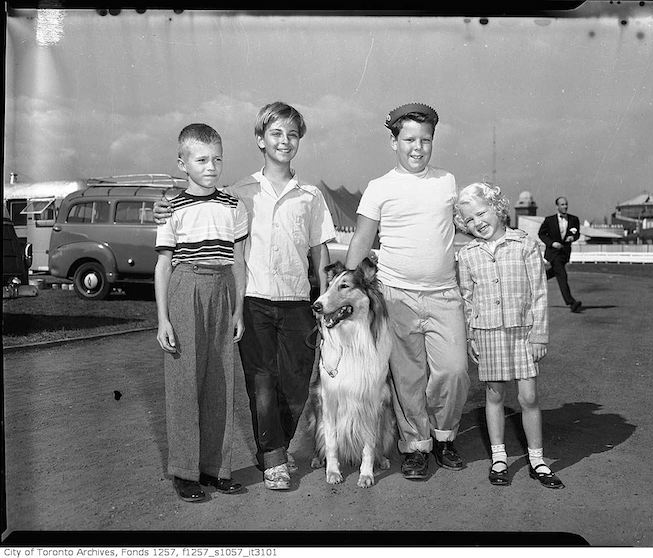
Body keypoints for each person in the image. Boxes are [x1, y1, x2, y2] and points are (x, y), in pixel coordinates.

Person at [155, 102, 335, 491]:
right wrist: (164, 202)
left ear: (299, 140)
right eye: (275, 133)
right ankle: (273, 459)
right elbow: (196, 198)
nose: (284, 141)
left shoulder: (311, 196)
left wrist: (324, 300)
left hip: (298, 300)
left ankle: (276, 445)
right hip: (253, 299)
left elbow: (319, 253)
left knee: (297, 382)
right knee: (262, 382)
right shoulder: (239, 192)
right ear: (260, 139)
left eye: (291, 134)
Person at [345, 102, 470, 480]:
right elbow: (361, 243)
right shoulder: (380, 188)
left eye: (426, 140)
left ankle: (444, 436)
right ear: (394, 141)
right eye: (409, 139)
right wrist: (344, 294)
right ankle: (416, 446)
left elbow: (468, 226)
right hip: (395, 295)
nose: (418, 147)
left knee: (453, 370)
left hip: (445, 294)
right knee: (408, 377)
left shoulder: (447, 182)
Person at [155, 123, 248, 502]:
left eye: (217, 159)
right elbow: (163, 265)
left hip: (223, 288)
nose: (211, 166)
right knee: (183, 382)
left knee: (220, 382)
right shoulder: (171, 207)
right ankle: (184, 472)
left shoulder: (234, 205)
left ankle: (215, 469)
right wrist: (162, 319)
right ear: (183, 163)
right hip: (185, 287)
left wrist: (238, 311)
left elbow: (240, 262)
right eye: (201, 159)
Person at [455, 182, 564, 489]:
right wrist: (470, 337)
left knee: (528, 396)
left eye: (481, 212)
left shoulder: (525, 243)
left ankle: (537, 459)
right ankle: (499, 457)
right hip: (487, 333)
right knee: (494, 395)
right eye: (469, 219)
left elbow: (539, 293)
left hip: (522, 332)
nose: (477, 222)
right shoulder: (467, 254)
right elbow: (467, 299)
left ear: (498, 209)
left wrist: (539, 335)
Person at [538, 196, 582, 312]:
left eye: (566, 204)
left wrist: (573, 237)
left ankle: (536, 280)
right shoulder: (549, 220)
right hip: (553, 253)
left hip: (564, 253)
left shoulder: (574, 219)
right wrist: (552, 243)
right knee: (562, 275)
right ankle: (571, 302)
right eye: (562, 204)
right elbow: (541, 234)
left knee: (555, 272)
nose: (565, 206)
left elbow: (577, 233)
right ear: (557, 206)